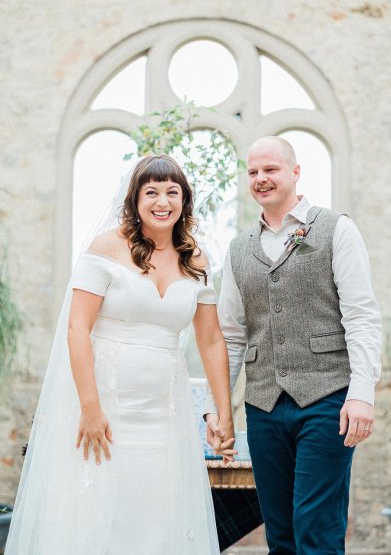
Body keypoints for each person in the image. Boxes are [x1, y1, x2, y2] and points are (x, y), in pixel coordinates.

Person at [6, 154, 236, 555]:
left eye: (172, 191)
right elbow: (78, 327)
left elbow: (212, 339)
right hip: (105, 411)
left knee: (157, 513)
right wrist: (90, 408)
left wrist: (224, 412)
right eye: (151, 192)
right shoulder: (107, 248)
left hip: (166, 414)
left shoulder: (195, 258)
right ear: (134, 199)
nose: (162, 201)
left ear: (184, 200)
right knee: (98, 513)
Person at [205, 136, 381, 555]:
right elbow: (230, 335)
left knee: (315, 527)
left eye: (271, 169)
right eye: (253, 172)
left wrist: (362, 394)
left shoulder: (337, 228)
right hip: (263, 406)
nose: (261, 179)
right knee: (280, 533)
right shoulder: (238, 249)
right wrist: (219, 408)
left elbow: (360, 315)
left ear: (295, 172)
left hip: (327, 401)